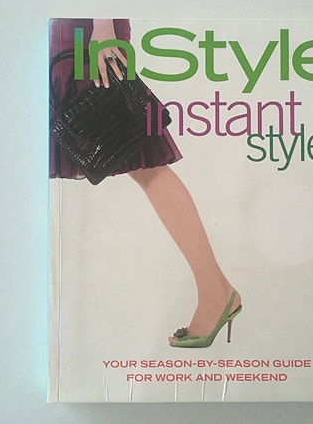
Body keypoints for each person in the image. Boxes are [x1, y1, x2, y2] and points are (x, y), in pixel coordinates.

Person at [49, 19, 241, 347]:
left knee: (144, 160)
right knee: (142, 162)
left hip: (87, 31)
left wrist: (103, 25)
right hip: (66, 31)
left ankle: (215, 292)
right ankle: (217, 291)